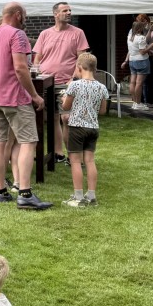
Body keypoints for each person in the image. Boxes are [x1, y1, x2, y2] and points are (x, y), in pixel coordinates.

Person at [0, 3, 51, 210]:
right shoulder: (17, 35)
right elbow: (21, 68)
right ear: (18, 15)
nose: (26, 20)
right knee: (28, 142)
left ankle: (2, 191)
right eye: (25, 16)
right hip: (14, 97)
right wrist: (35, 95)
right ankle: (25, 194)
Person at [32, 2, 89, 161]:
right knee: (53, 118)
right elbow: (38, 57)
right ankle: (59, 153)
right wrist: (36, 73)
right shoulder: (45, 34)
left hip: (67, 82)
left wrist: (74, 79)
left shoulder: (78, 33)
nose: (69, 12)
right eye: (65, 10)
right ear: (55, 14)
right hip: (46, 82)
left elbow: (82, 59)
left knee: (67, 118)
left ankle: (74, 155)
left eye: (70, 10)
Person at [60, 53, 109, 208]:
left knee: (75, 161)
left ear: (79, 68)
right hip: (93, 128)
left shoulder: (74, 85)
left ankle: (78, 197)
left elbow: (66, 107)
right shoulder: (102, 87)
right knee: (90, 161)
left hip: (77, 127)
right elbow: (102, 111)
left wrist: (63, 98)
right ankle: (91, 196)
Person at [122, 18, 153, 110]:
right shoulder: (141, 38)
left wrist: (149, 30)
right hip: (141, 61)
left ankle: (134, 103)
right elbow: (142, 51)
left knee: (132, 82)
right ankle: (138, 103)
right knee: (139, 83)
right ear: (140, 29)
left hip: (132, 61)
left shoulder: (130, 37)